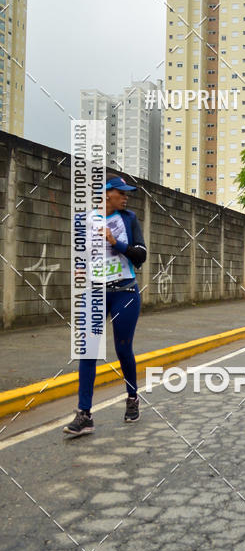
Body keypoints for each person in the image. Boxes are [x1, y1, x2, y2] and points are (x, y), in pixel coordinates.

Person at [64, 175, 147, 436]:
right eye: (121, 193)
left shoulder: (129, 219)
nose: (126, 197)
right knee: (88, 351)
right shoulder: (84, 221)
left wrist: (116, 242)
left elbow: (141, 255)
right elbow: (80, 253)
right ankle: (85, 415)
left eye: (127, 194)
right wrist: (80, 270)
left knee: (123, 349)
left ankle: (132, 398)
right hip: (96, 292)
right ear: (107, 194)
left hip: (125, 291)